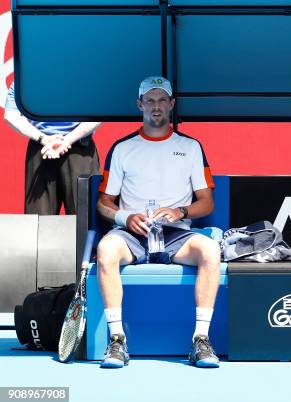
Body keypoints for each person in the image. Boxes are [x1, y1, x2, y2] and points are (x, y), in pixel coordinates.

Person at [95, 76, 220, 369]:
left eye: (162, 100)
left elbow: (207, 203)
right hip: (131, 234)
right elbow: (104, 204)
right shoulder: (122, 148)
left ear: (171, 104)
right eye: (149, 100)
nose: (156, 106)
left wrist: (181, 212)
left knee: (211, 251)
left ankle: (201, 340)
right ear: (139, 104)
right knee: (106, 252)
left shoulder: (191, 147)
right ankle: (117, 341)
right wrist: (127, 216)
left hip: (176, 235)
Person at [3, 82, 101, 215]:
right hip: (42, 148)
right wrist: (44, 139)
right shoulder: (26, 74)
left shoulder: (86, 72)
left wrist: (68, 139)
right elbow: (10, 115)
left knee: (85, 218)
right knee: (38, 221)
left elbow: (99, 112)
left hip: (78, 148)